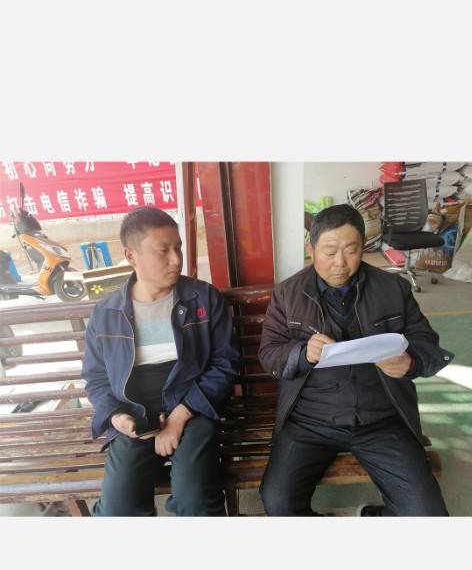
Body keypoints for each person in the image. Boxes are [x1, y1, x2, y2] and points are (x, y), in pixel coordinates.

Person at [258, 204, 454, 517]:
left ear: (363, 247)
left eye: (351, 250)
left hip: (380, 418)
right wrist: (302, 353)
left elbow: (426, 342)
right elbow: (269, 353)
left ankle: (368, 516)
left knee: (427, 514)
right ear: (311, 249)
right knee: (279, 504)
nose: (340, 262)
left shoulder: (393, 288)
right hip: (310, 420)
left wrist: (411, 362)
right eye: (329, 251)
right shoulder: (287, 294)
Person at [82, 207, 239, 516]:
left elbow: (224, 364)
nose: (176, 259)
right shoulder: (107, 313)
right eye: (163, 250)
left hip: (193, 405)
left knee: (194, 498)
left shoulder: (202, 299)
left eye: (178, 247)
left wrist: (179, 418)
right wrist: (116, 416)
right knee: (117, 508)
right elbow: (96, 378)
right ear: (131, 255)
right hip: (135, 411)